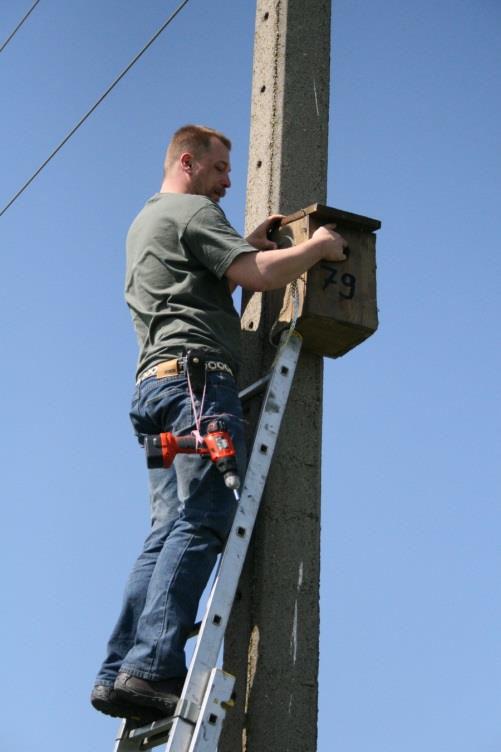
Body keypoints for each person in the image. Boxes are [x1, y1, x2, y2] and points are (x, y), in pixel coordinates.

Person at [91, 124, 347, 722]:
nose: (228, 183)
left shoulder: (148, 221)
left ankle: (118, 671)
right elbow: (257, 276)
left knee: (164, 532)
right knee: (206, 518)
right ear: (188, 162)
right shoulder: (192, 213)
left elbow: (202, 286)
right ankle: (152, 666)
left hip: (155, 389)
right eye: (220, 169)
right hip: (197, 385)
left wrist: (245, 244)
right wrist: (318, 249)